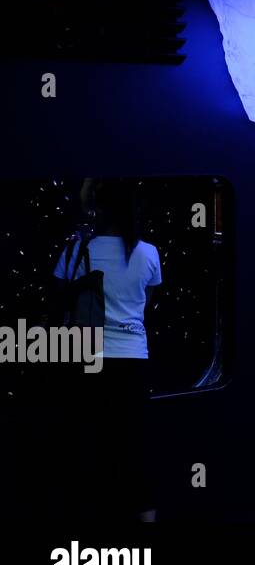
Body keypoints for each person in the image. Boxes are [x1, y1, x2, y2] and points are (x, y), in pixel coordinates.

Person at [52, 178, 162, 521]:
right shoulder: (148, 253)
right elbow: (146, 303)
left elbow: (59, 304)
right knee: (132, 448)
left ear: (98, 208)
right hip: (132, 360)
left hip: (85, 357)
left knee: (85, 443)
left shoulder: (75, 251)